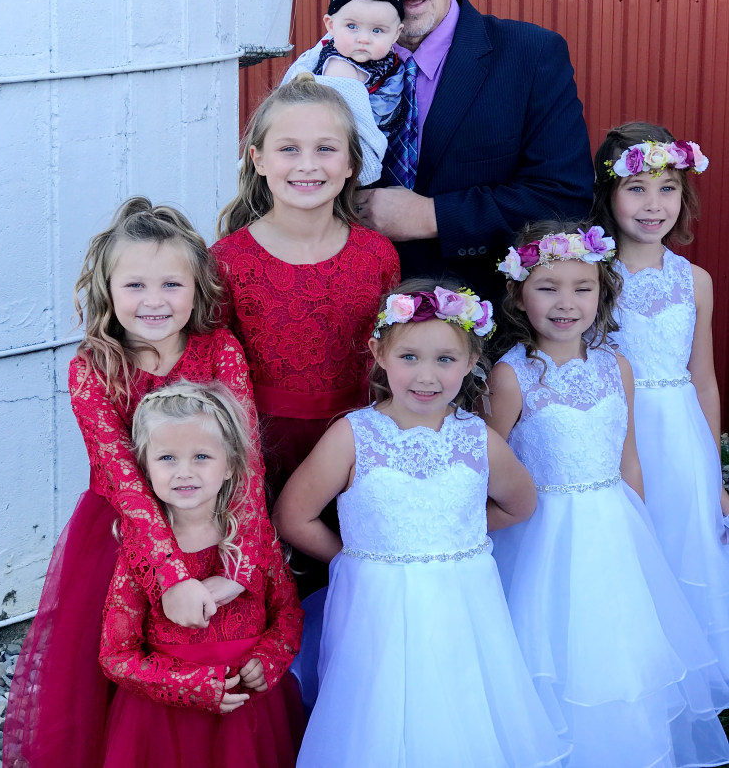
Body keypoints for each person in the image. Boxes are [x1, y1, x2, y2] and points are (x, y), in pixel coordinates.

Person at [4, 198, 274, 768]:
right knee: (127, 664)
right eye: (135, 285)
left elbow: (246, 464)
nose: (154, 301)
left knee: (221, 658)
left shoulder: (220, 350)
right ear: (107, 288)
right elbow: (123, 480)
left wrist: (237, 569)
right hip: (126, 538)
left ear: (198, 288)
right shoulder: (94, 366)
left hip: (215, 528)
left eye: (172, 284)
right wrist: (171, 578)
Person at [273, 279, 570, 768]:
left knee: (458, 702)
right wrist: (356, 556)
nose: (426, 376)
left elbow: (521, 504)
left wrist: (456, 540)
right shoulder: (354, 435)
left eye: (445, 360)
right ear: (379, 354)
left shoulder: (478, 438)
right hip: (376, 604)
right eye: (409, 357)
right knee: (377, 707)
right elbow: (293, 516)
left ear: (472, 360)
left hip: (461, 604)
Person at [488, 222, 729, 767]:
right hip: (541, 533)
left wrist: (639, 531)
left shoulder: (616, 366)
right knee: (549, 643)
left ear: (604, 292)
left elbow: (630, 459)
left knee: (615, 644)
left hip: (613, 528)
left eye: (583, 288)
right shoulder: (512, 376)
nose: (566, 303)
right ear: (519, 295)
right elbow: (492, 464)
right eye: (547, 288)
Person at [354, 0, 594, 300]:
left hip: (482, 332)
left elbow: (565, 198)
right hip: (350, 322)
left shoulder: (531, 56)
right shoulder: (331, 66)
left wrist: (432, 216)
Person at [212, 74, 399, 594]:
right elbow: (214, 371)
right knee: (272, 589)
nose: (308, 164)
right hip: (262, 448)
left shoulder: (376, 254)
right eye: (289, 149)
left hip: (355, 444)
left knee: (350, 580)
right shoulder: (228, 261)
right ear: (259, 159)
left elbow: (387, 358)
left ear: (351, 164)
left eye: (325, 149)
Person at [99, 382, 304, 768]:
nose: (184, 472)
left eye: (201, 456)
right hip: (167, 723)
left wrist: (271, 657)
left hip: (252, 713)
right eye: (167, 459)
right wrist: (188, 687)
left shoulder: (254, 544)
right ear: (144, 467)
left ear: (230, 465)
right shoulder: (141, 554)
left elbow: (288, 613)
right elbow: (116, 655)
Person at [590, 122, 729, 675]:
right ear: (608, 193)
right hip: (614, 427)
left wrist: (714, 471)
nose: (654, 205)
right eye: (637, 188)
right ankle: (631, 663)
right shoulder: (590, 275)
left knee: (679, 534)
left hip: (678, 434)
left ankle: (689, 665)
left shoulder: (695, 280)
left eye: (667, 188)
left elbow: (704, 377)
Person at [282, 0, 405, 185]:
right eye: (352, 27)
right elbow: (344, 124)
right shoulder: (341, 69)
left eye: (377, 30)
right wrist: (365, 166)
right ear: (331, 26)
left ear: (396, 33)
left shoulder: (383, 58)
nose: (364, 39)